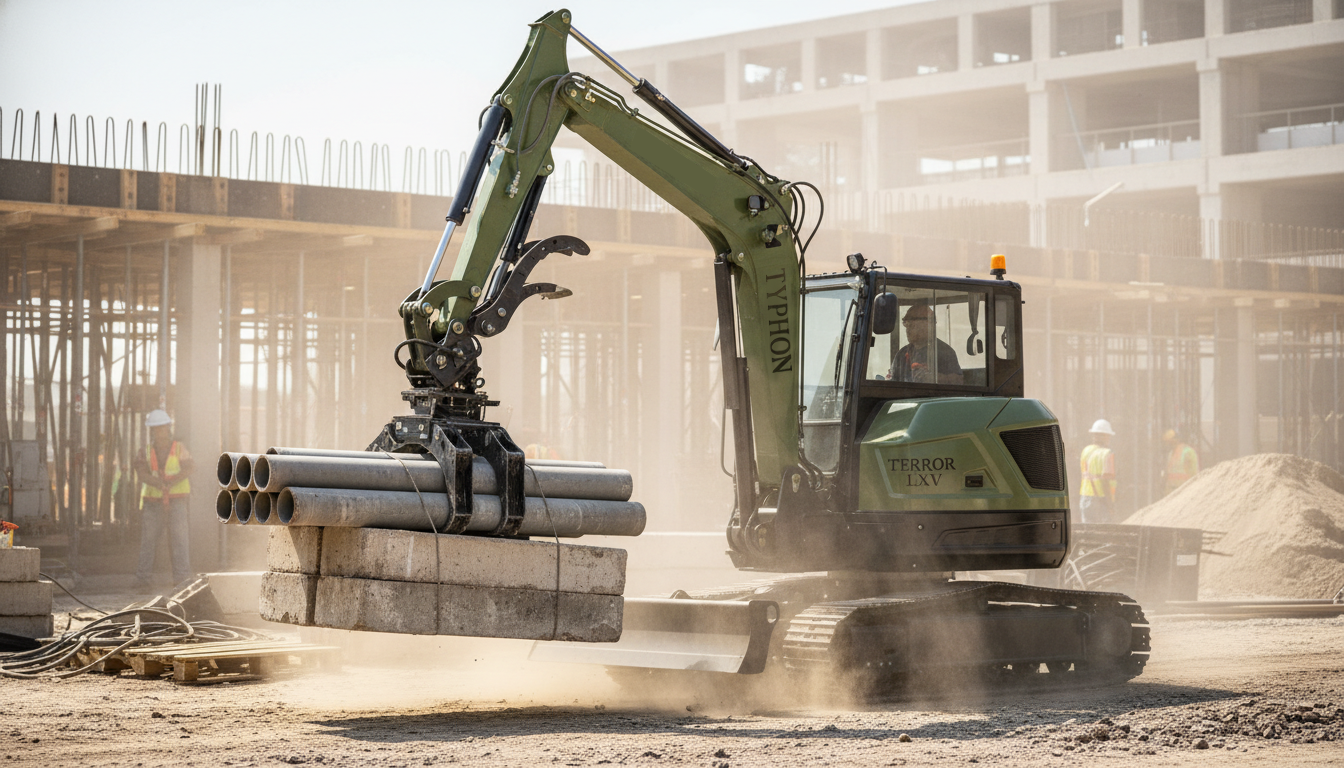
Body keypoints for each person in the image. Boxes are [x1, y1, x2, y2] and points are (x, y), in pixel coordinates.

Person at [135, 409, 194, 587]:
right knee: (148, 541)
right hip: (153, 502)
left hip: (177, 500)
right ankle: (143, 579)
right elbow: (141, 473)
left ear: (168, 427)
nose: (159, 432)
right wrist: (159, 483)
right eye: (156, 428)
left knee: (180, 539)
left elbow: (190, 467)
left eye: (162, 428)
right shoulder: (144, 451)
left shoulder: (179, 448)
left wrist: (170, 482)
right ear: (152, 430)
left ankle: (182, 579)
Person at [890, 304, 963, 385]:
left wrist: (934, 378)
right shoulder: (901, 354)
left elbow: (958, 381)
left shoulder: (944, 352)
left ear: (927, 324)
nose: (908, 330)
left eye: (912, 325)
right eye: (906, 325)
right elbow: (893, 383)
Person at [1079, 419, 1117, 524]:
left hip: (1085, 497)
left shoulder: (1085, 451)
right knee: (1104, 533)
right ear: (1104, 436)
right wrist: (1110, 506)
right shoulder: (1107, 454)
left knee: (1087, 533)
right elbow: (1105, 482)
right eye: (1108, 436)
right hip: (1101, 500)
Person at [1162, 428, 1199, 495]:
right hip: (1172, 493)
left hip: (1184, 492)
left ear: (1175, 440)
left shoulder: (1188, 452)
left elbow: (1194, 474)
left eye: (1169, 441)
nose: (1167, 444)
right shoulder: (1171, 454)